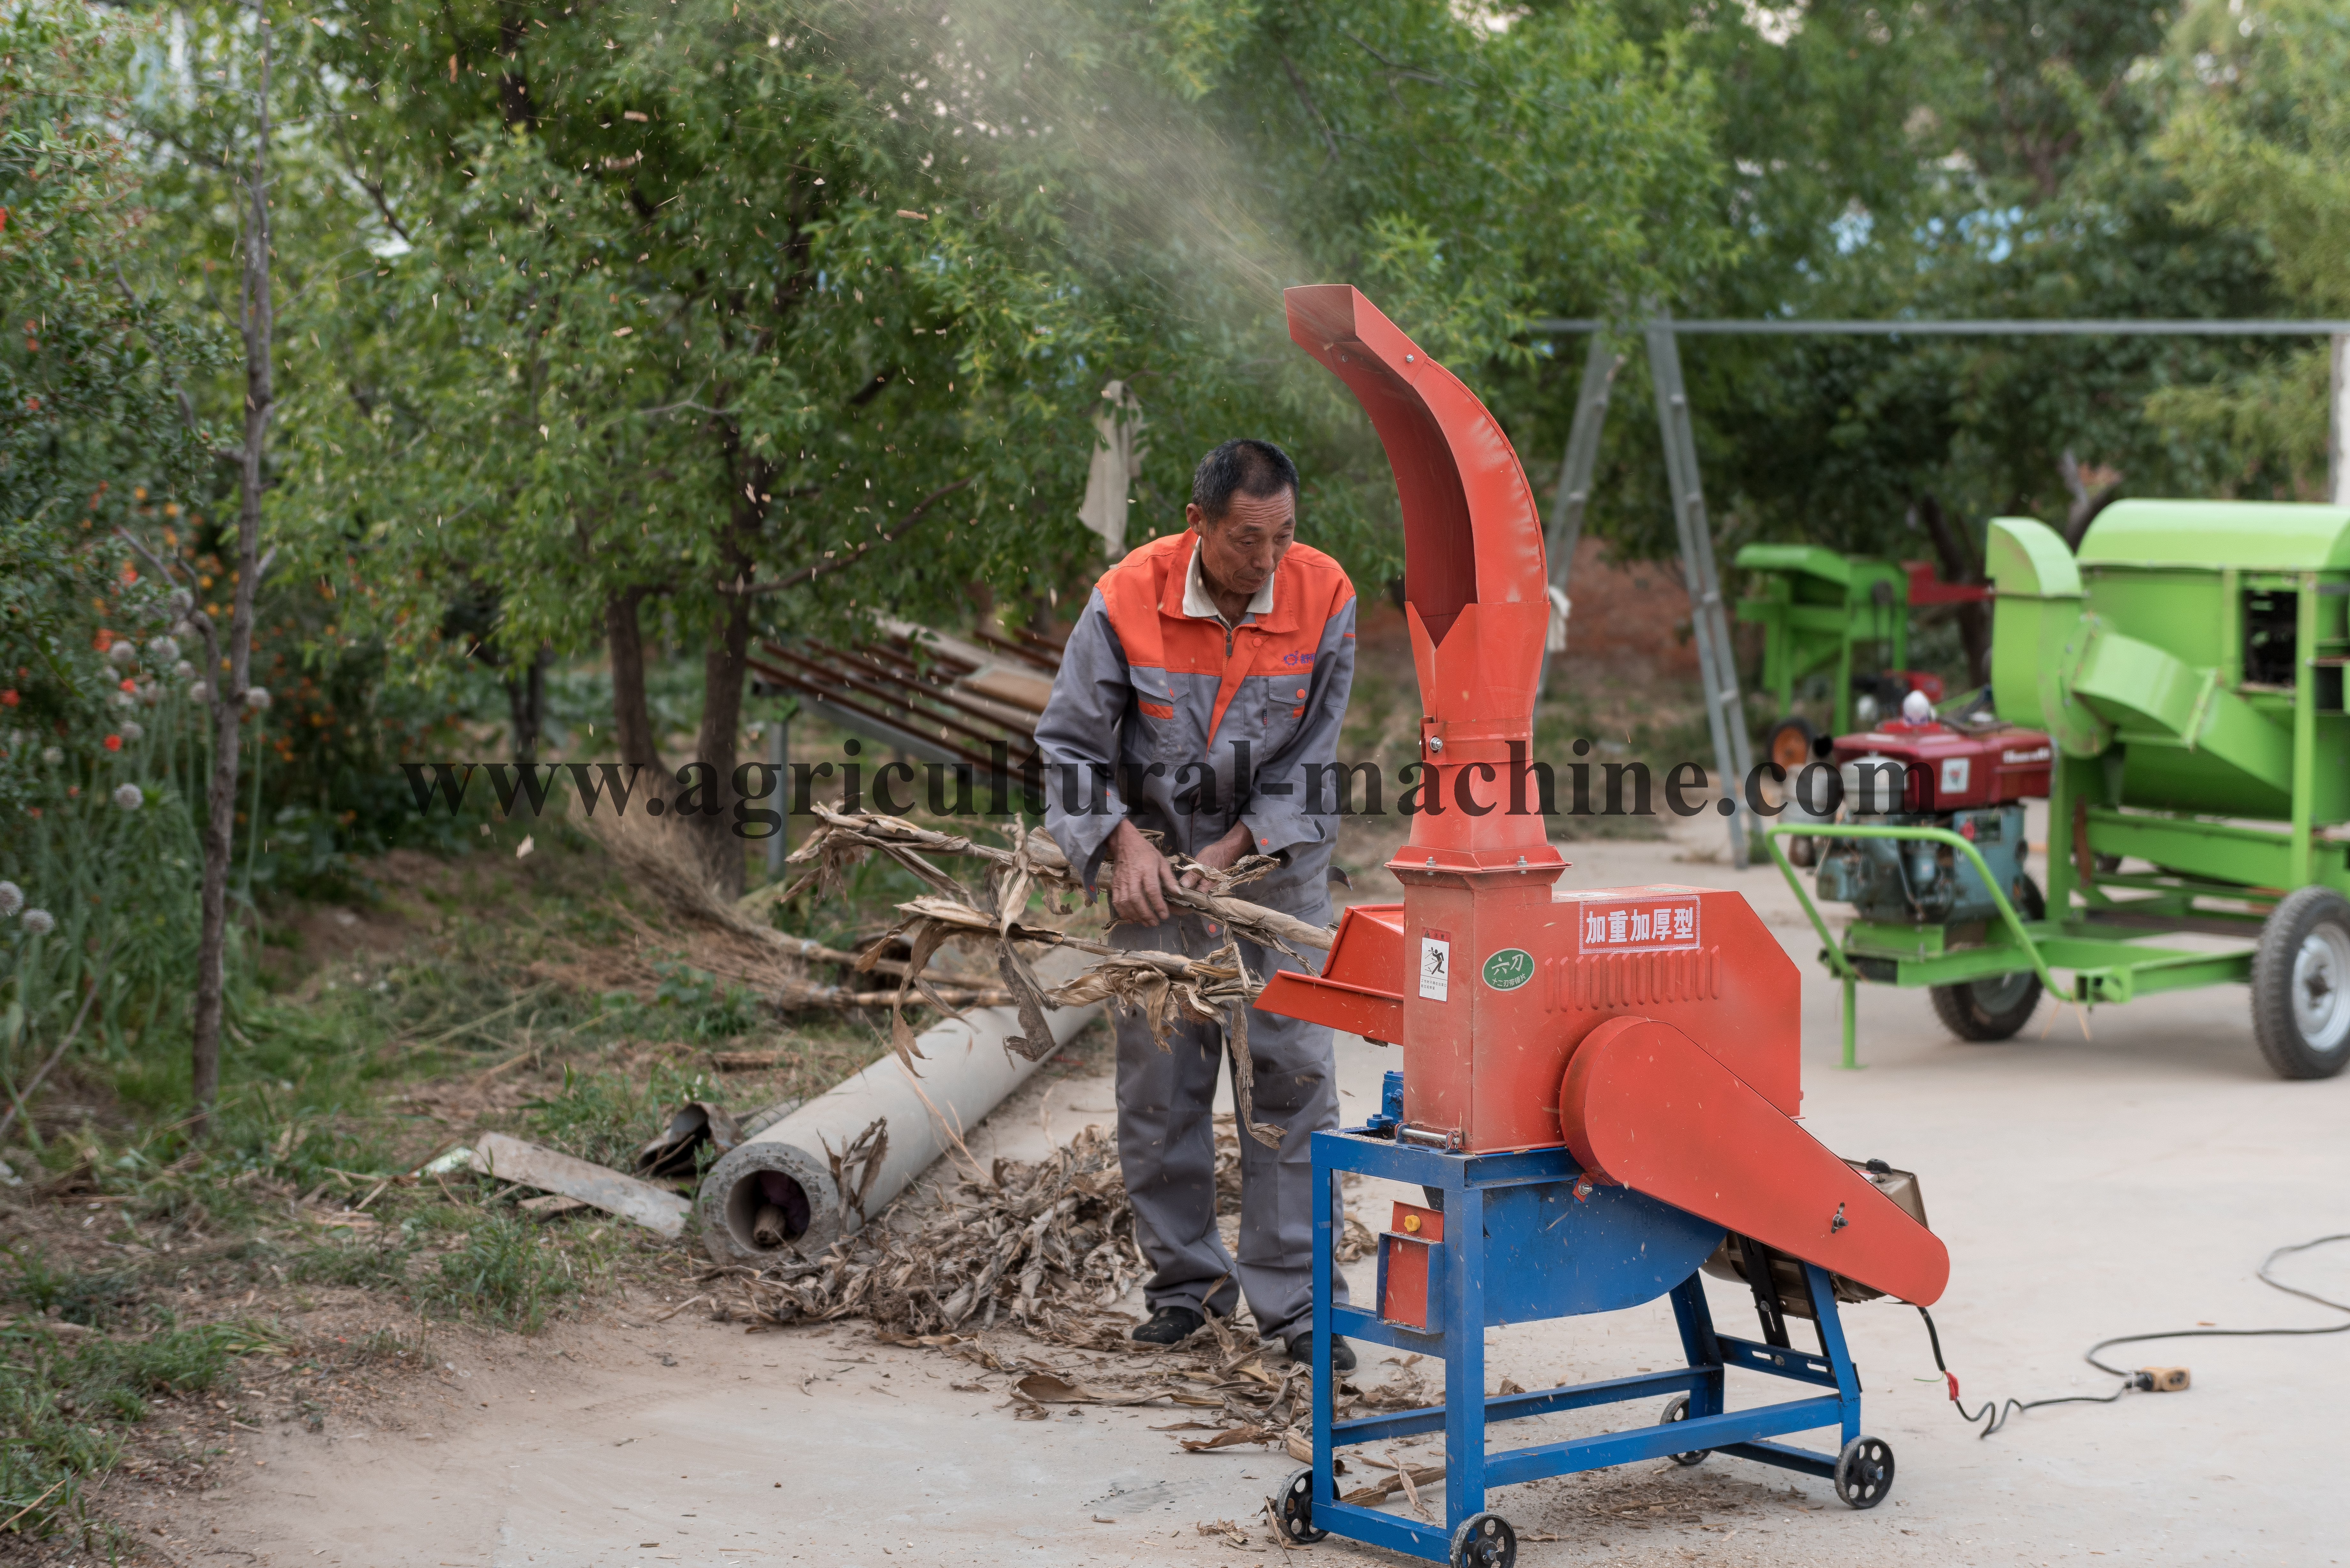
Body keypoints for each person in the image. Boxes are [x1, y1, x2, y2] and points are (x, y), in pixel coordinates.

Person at [1036, 438, 1360, 1371]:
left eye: (1284, 539)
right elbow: (1069, 746)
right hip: (1157, 890)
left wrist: (1234, 850)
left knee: (1291, 1087)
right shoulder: (1126, 596)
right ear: (1198, 527)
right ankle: (1187, 1290)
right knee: (1161, 1091)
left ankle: (1298, 1308)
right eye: (1247, 542)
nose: (1267, 564)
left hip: (1276, 878)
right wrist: (1122, 843)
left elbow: (1314, 757)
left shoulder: (1326, 593)